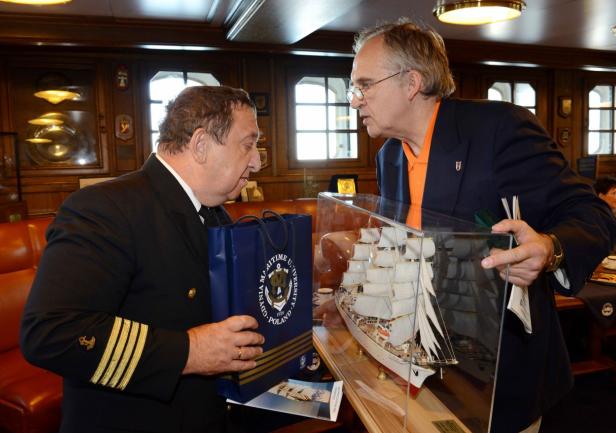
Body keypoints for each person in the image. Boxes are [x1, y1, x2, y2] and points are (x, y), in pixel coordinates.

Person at [346, 18, 616, 433]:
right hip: (426, 370)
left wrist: (550, 247)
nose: (355, 101)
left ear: (411, 82)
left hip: (502, 380)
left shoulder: (498, 130)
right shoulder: (389, 158)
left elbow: (592, 212)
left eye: (364, 85)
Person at [20, 85, 266, 433]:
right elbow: (50, 332)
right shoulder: (105, 208)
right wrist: (189, 352)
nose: (257, 161)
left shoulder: (215, 214)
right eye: (248, 144)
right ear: (201, 145)